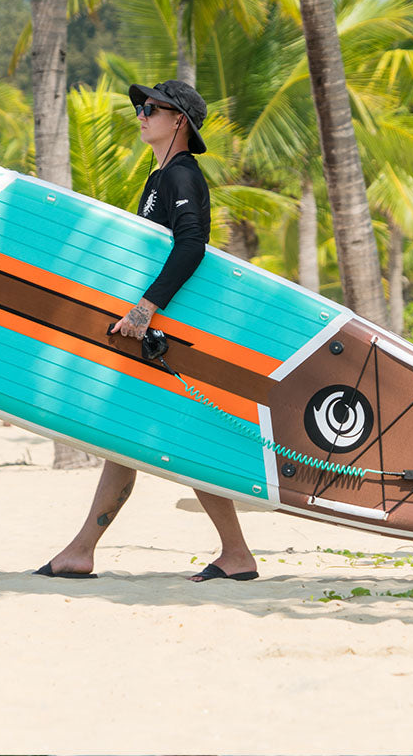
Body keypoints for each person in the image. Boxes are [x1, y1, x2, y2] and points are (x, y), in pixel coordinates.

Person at [35, 79, 259, 583]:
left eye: (151, 108)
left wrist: (144, 312)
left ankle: (236, 554)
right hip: (151, 330)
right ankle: (81, 551)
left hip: (163, 330)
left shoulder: (182, 177)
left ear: (178, 120)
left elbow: (192, 246)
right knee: (127, 437)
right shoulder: (158, 178)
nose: (140, 113)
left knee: (173, 439)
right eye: (140, 106)